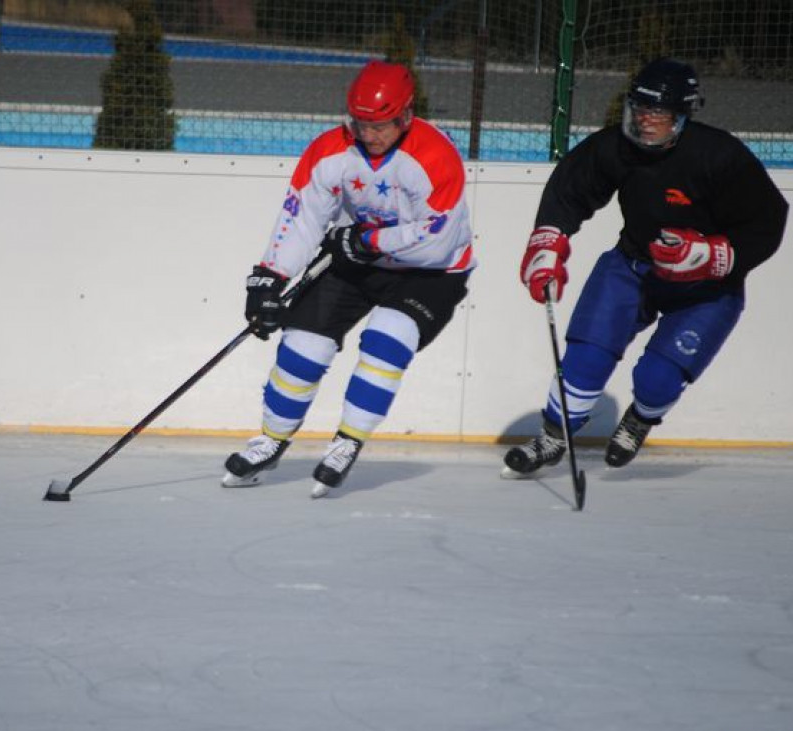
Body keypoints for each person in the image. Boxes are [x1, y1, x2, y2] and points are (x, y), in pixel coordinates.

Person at [503, 57, 788, 476]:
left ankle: (640, 418)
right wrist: (548, 242)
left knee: (659, 377)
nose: (645, 121)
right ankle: (552, 437)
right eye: (639, 108)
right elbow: (570, 190)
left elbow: (767, 220)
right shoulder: (616, 148)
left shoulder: (721, 156)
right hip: (633, 268)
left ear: (682, 115)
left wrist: (716, 254)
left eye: (659, 112)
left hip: (707, 288)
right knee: (587, 354)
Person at [222, 59, 475, 497]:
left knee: (386, 338)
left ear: (406, 116)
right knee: (303, 344)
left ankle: (347, 441)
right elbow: (301, 218)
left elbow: (437, 239)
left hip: (430, 271)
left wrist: (368, 239)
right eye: (360, 124)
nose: (370, 136)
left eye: (381, 126)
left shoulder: (434, 156)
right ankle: (271, 438)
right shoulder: (330, 151)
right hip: (358, 258)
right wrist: (269, 276)